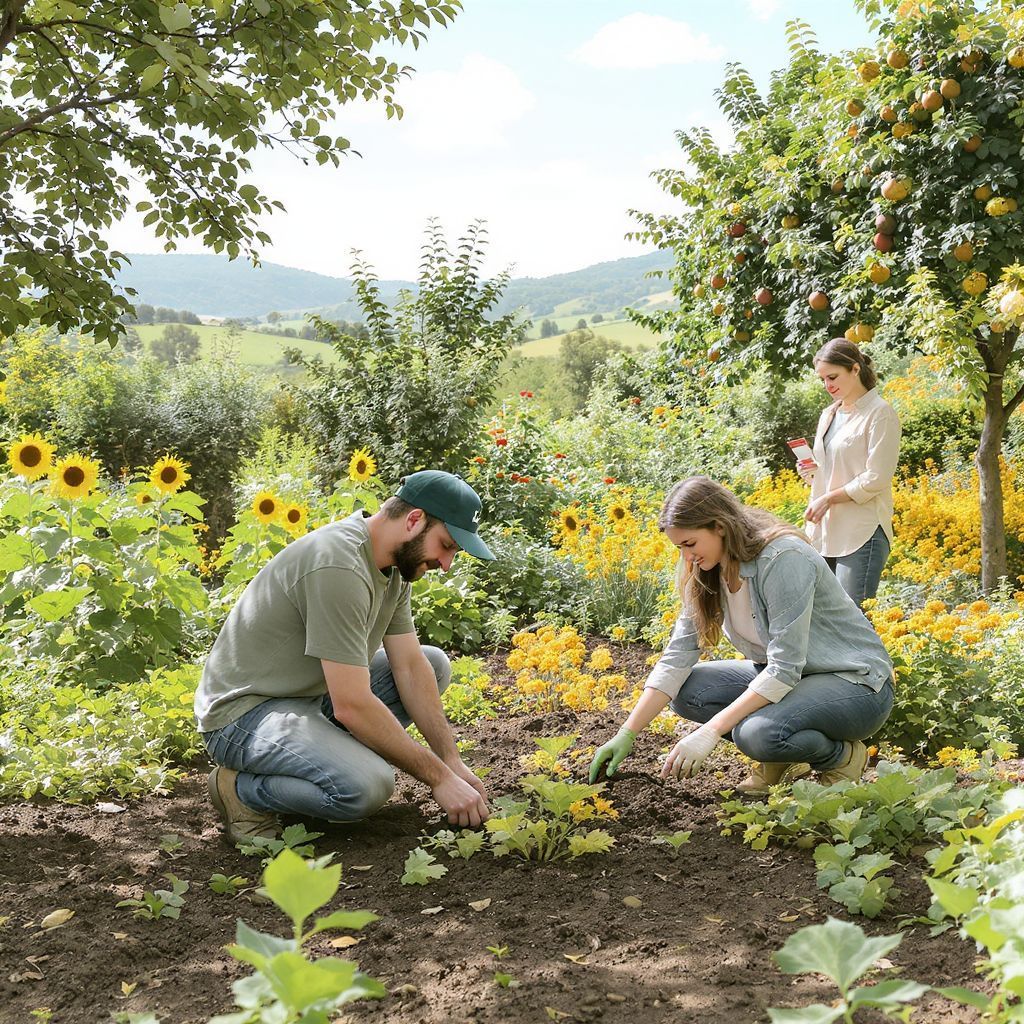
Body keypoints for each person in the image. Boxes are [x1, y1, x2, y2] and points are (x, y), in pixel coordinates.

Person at [196, 470, 494, 843]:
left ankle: (319, 767)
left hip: (306, 697)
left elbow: (409, 665)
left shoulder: (394, 566)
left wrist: (451, 761)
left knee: (432, 665)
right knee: (367, 786)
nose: (447, 564)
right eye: (446, 545)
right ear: (414, 520)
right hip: (243, 716)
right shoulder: (339, 564)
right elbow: (351, 705)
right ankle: (241, 791)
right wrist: (439, 779)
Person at [588, 476, 894, 796]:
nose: (686, 558)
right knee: (687, 690)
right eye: (679, 548)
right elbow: (677, 656)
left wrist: (710, 731)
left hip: (856, 686)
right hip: (794, 683)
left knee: (756, 734)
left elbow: (785, 667)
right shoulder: (710, 571)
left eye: (690, 544)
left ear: (719, 526)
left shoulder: (781, 558)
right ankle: (783, 760)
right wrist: (627, 732)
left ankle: (840, 758)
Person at [800, 338, 901, 607]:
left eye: (832, 376)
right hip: (825, 532)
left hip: (862, 531)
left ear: (855, 369)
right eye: (822, 379)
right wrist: (811, 472)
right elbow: (832, 469)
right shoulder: (829, 414)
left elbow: (876, 477)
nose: (827, 385)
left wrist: (828, 498)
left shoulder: (880, 414)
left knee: (854, 622)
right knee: (825, 620)